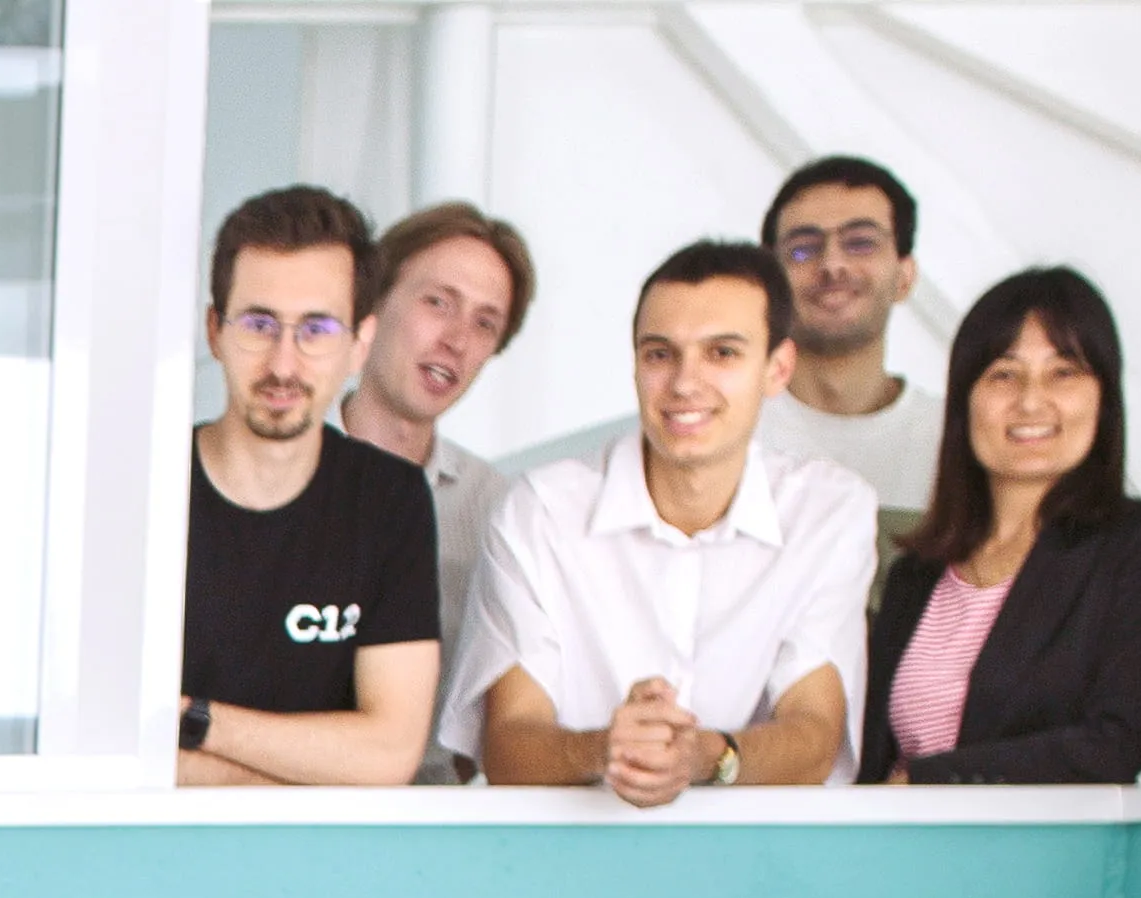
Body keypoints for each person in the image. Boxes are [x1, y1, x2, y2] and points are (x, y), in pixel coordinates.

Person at [458, 241, 870, 801]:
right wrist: (606, 749)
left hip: (756, 862)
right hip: (561, 860)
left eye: (722, 353)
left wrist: (709, 756)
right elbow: (506, 744)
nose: (683, 383)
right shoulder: (541, 510)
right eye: (659, 354)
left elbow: (815, 734)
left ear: (778, 369)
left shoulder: (830, 512)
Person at [862, 267, 1141, 786]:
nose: (1031, 401)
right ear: (964, 402)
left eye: (1063, 372)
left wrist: (923, 782)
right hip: (901, 854)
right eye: (1003, 374)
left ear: (1103, 396)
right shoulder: (916, 575)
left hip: (1051, 858)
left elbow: (1118, 740)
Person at [179, 184, 446, 791]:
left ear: (359, 344)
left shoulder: (390, 502)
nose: (283, 363)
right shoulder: (148, 490)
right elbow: (119, 757)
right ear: (215, 330)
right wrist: (310, 769)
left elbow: (387, 756)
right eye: (258, 323)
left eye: (317, 329)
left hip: (326, 868)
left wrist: (195, 722)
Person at [336, 202, 534, 748]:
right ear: (374, 300)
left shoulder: (500, 509)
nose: (457, 338)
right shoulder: (279, 466)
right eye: (438, 302)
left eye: (484, 323)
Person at [749, 154, 934, 520]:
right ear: (768, 282)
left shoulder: (959, 442)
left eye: (861, 242)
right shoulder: (717, 431)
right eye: (803, 247)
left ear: (905, 276)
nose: (832, 264)